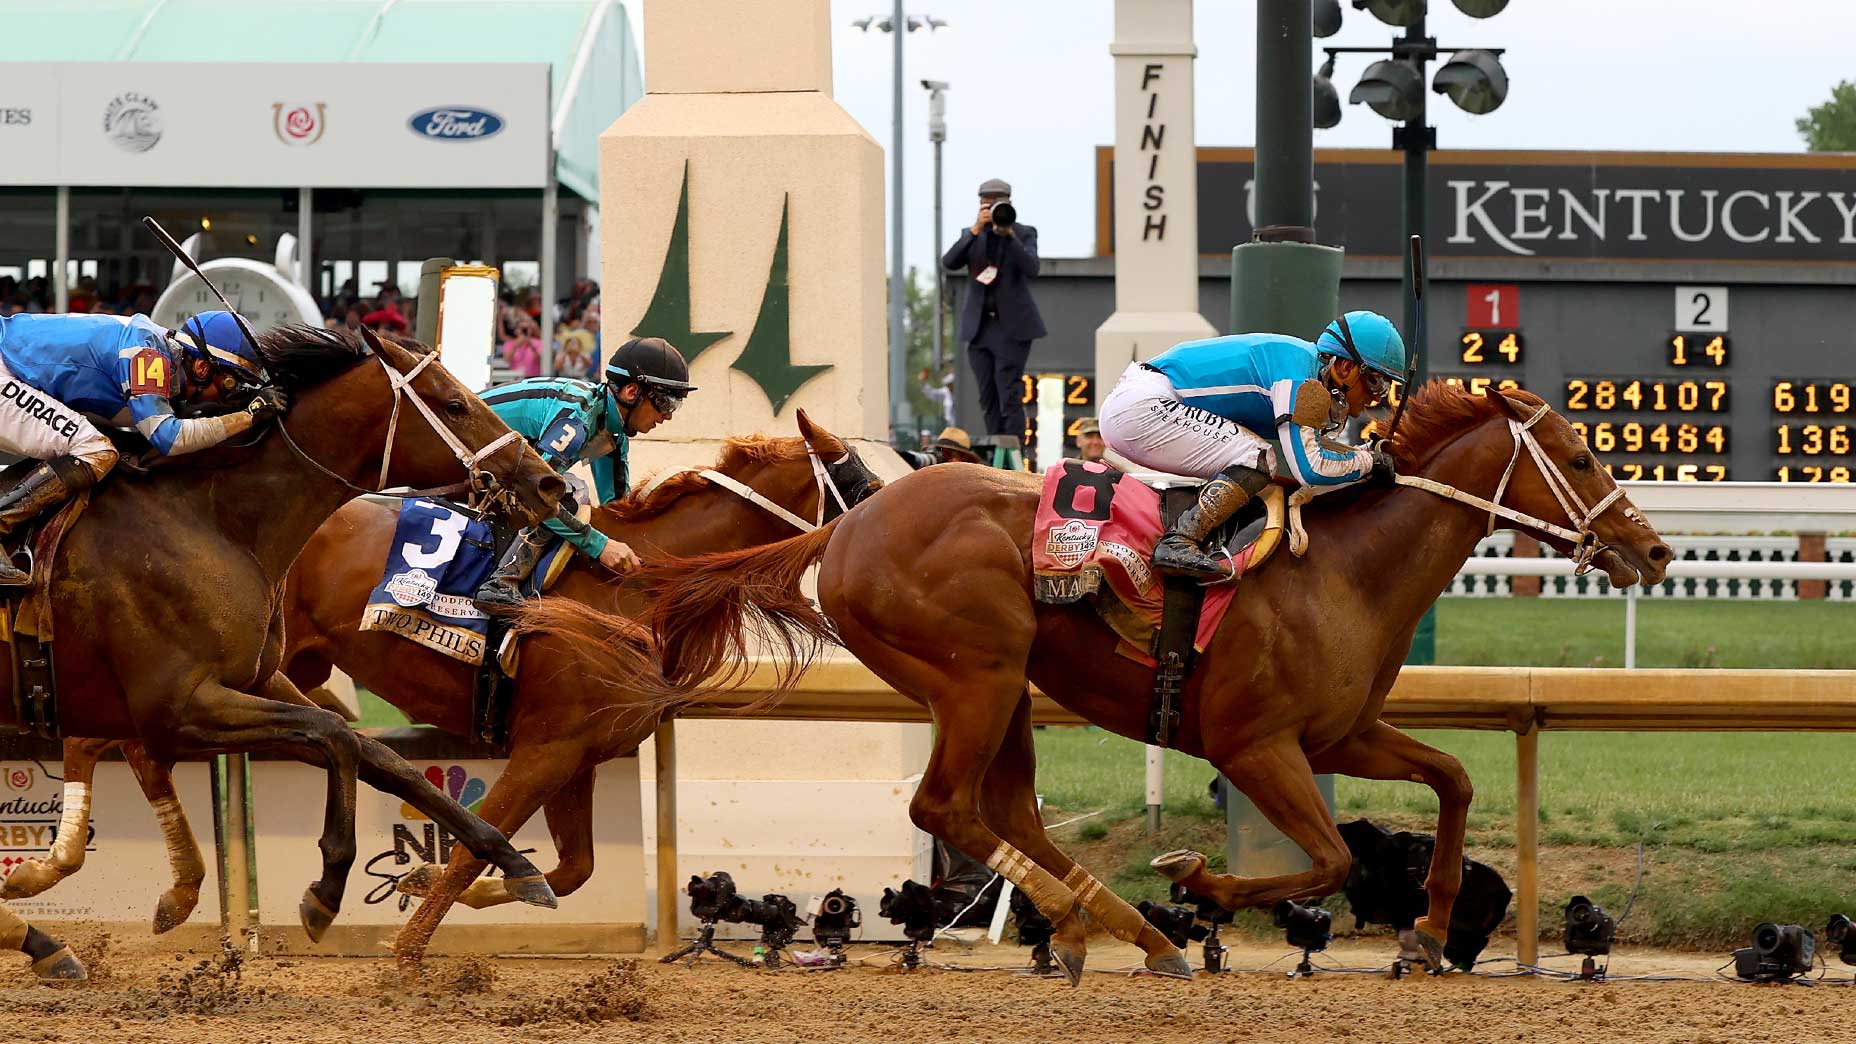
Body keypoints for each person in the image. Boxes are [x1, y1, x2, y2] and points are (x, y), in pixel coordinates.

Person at [1097, 311, 1407, 578]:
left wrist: (1365, 453)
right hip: (1145, 405)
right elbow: (1311, 468)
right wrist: (1368, 463)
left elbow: (1318, 450)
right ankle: (1178, 542)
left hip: (1143, 402)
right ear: (1345, 368)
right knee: (1258, 457)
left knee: (1254, 455)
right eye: (1376, 381)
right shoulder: (1298, 377)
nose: (1377, 396)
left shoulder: (1306, 370)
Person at [0, 310, 281, 584]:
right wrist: (248, 416)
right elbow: (167, 438)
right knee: (95, 450)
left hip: (14, 365)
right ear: (202, 367)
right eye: (229, 385)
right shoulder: (148, 357)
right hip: (5, 370)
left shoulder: (160, 356)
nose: (226, 398)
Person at [472, 336, 695, 610]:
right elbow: (538, 491)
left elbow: (618, 509)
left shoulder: (613, 432)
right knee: (571, 491)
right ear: (631, 392)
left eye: (676, 405)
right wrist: (600, 546)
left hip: (494, 461)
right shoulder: (579, 413)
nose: (668, 416)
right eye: (665, 402)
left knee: (574, 494)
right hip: (460, 445)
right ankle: (501, 582)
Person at [942, 177, 1045, 440]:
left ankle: (1012, 448)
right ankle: (993, 445)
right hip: (980, 327)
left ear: (1009, 203)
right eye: (986, 203)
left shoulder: (1023, 233)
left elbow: (1032, 268)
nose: (993, 208)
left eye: (998, 202)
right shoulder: (972, 234)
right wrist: (976, 230)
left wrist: (1008, 236)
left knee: (1008, 391)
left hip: (1012, 327)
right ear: (979, 206)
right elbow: (949, 262)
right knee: (987, 394)